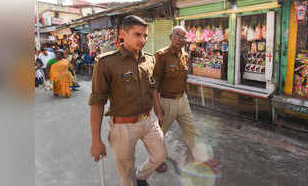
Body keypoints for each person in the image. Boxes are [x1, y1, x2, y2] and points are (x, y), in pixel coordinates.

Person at [89, 15, 166, 186]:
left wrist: (158, 111)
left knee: (160, 156)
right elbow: (97, 102)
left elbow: (152, 87)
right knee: (126, 172)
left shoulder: (149, 60)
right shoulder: (106, 63)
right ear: (123, 34)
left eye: (145, 35)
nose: (143, 39)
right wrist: (96, 140)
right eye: (137, 34)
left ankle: (141, 176)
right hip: (123, 126)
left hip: (149, 119)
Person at [153, 26, 215, 173]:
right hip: (166, 101)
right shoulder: (161, 56)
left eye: (183, 37)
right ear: (170, 37)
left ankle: (203, 159)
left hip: (182, 100)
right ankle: (156, 160)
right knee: (158, 134)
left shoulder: (185, 56)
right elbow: (153, 84)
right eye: (178, 36)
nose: (181, 40)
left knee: (192, 130)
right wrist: (157, 108)